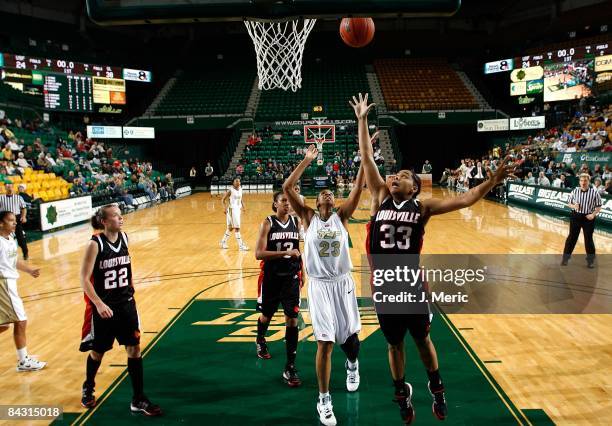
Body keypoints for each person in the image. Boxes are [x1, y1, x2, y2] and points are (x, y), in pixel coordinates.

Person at [350, 93, 514, 424]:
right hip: (383, 285)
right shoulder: (379, 196)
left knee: (422, 339)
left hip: (411, 285)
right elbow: (367, 159)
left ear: (414, 188)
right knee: (394, 345)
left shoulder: (422, 207)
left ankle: (436, 386)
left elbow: (467, 199)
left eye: (404, 175)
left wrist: (491, 181)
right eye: (394, 174)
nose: (396, 176)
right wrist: (362, 120)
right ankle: (401, 391)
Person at [283, 146, 366, 426]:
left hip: (342, 283)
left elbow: (358, 187)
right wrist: (307, 160)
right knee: (325, 342)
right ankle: (324, 400)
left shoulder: (342, 216)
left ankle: (352, 365)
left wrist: (366, 157)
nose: (328, 194)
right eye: (323, 193)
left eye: (331, 193)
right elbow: (287, 186)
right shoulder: (307, 217)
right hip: (319, 286)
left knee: (351, 342)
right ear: (316, 200)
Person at [79, 204, 162, 416]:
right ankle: (88, 385)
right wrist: (98, 303)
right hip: (105, 308)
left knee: (134, 349)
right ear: (105, 222)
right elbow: (84, 278)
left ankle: (138, 399)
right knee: (98, 352)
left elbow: (126, 269)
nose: (121, 218)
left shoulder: (125, 238)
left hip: (126, 305)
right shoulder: (95, 244)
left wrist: (130, 292)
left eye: (120, 214)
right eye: (116, 216)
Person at [255, 191, 303, 387]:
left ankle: (290, 366)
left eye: (288, 201)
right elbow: (259, 253)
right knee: (266, 315)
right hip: (271, 278)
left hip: (291, 278)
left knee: (292, 319)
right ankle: (260, 339)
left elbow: (298, 249)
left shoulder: (296, 222)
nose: (287, 204)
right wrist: (285, 252)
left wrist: (302, 269)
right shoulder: (268, 223)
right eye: (283, 201)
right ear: (275, 204)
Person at [0, 211, 45, 372]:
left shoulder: (10, 238)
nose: (14, 223)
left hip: (10, 282)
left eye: (15, 220)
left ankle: (23, 359)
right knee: (21, 320)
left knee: (4, 325)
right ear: (1, 223)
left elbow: (14, 261)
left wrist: (29, 270)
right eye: (10, 220)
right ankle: (23, 361)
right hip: (3, 283)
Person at [562, 174, 602, 268]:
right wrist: (573, 206)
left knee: (588, 239)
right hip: (576, 216)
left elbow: (599, 206)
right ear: (579, 181)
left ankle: (590, 261)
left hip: (588, 218)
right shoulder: (575, 191)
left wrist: (593, 214)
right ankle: (565, 259)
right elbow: (569, 203)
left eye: (585, 181)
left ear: (589, 182)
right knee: (572, 238)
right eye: (581, 180)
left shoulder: (594, 193)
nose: (583, 183)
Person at [0, 183, 28, 260]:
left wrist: (23, 216)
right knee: (3, 238)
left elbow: (23, 208)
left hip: (16, 218)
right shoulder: (1, 197)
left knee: (20, 237)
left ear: (13, 188)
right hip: (4, 219)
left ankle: (25, 253)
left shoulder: (18, 197)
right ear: (5, 188)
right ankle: (6, 256)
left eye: (10, 187)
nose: (9, 188)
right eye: (7, 187)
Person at [220, 178, 249, 251]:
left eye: (239, 181)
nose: (238, 182)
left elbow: (241, 198)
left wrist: (244, 206)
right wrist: (224, 208)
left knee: (230, 228)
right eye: (236, 181)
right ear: (233, 183)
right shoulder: (230, 190)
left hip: (237, 209)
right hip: (232, 210)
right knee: (237, 228)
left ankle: (223, 242)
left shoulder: (240, 189)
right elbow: (223, 200)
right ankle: (241, 246)